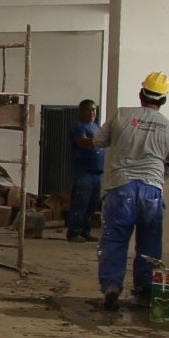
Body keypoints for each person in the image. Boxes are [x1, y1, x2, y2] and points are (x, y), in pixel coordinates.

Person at [93, 72, 169, 310]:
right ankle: (144, 291)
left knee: (114, 239)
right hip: (151, 192)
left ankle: (112, 286)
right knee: (150, 244)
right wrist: (157, 180)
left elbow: (97, 141)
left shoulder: (122, 115)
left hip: (120, 188)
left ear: (141, 93)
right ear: (164, 99)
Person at [67, 100, 104, 242]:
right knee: (80, 203)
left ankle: (85, 231)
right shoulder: (79, 127)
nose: (92, 113)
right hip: (83, 171)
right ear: (82, 112)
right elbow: (82, 142)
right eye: (89, 110)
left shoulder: (96, 127)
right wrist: (101, 141)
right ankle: (74, 232)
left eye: (94, 110)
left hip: (96, 172)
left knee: (92, 204)